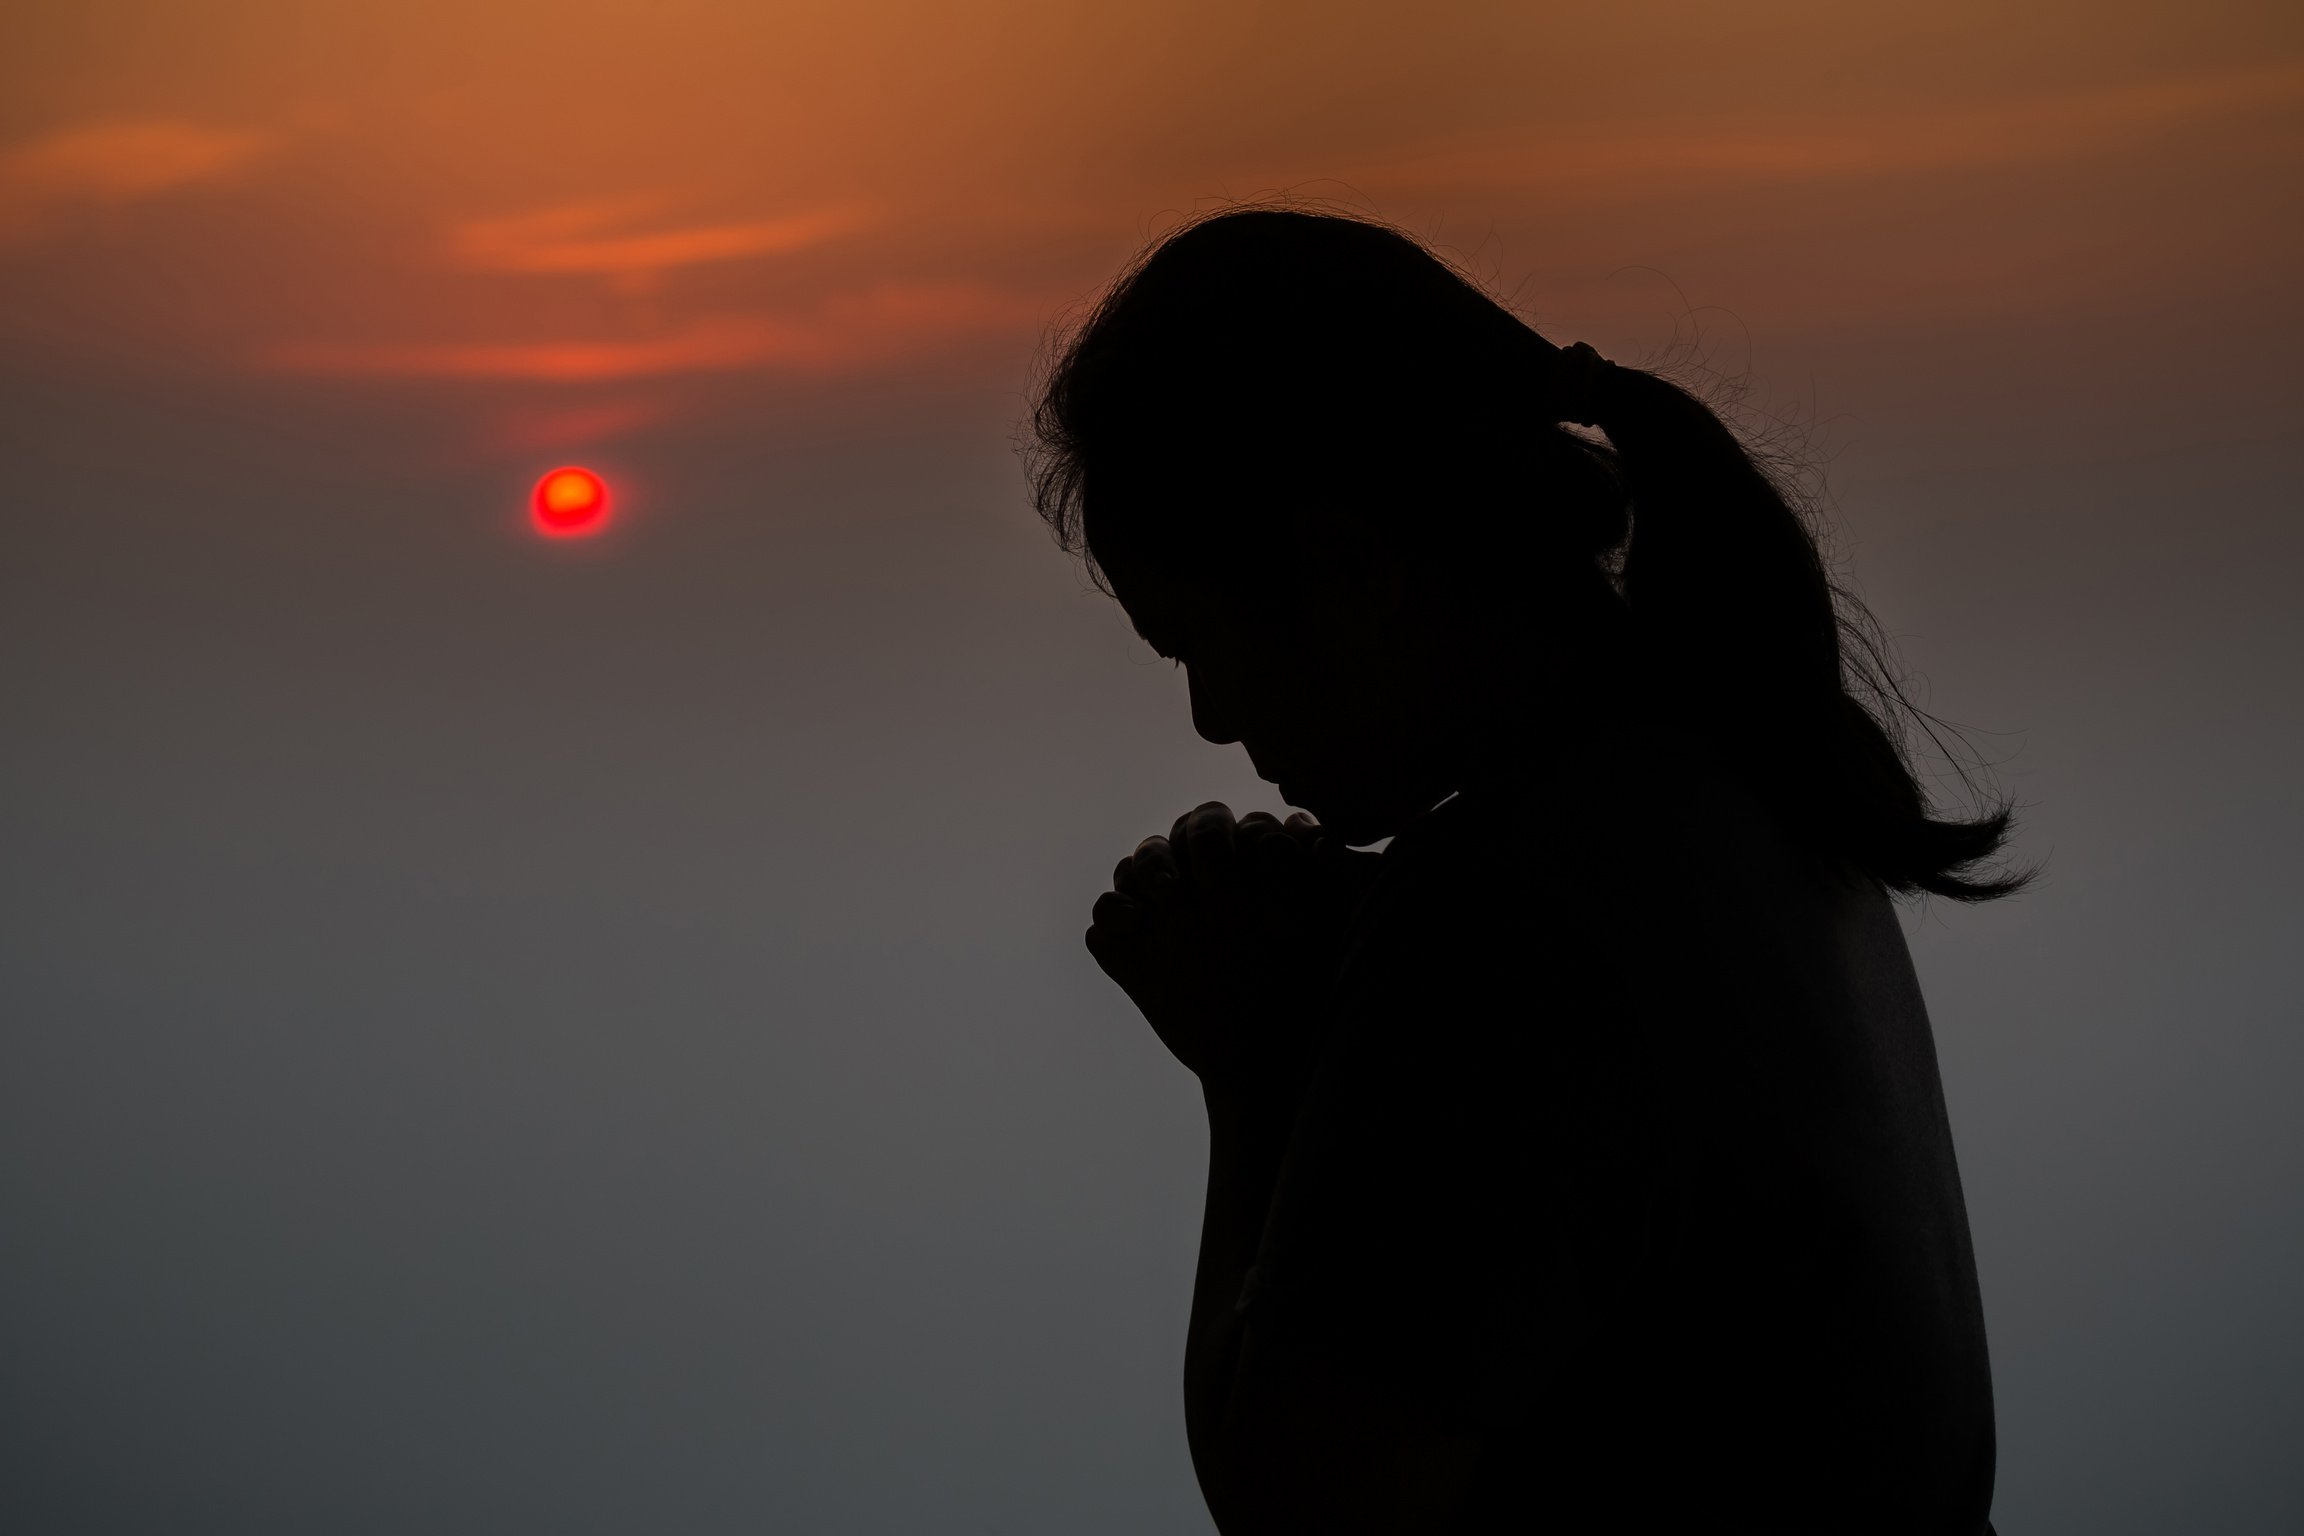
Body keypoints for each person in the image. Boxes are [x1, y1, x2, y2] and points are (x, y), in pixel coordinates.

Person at [1029, 206, 2023, 1534]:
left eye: (1198, 646)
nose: (1213, 717)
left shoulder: (1514, 916)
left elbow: (1309, 1502)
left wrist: (1257, 1062)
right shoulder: (1732, 779)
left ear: (1346, 568)